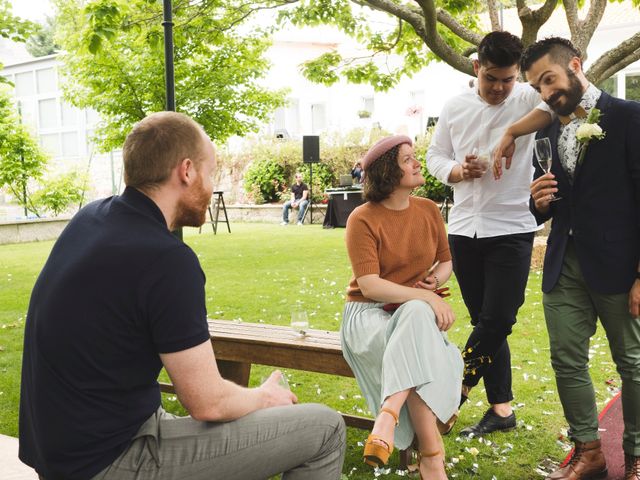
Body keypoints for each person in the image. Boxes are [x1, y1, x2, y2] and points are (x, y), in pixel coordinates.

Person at [19, 111, 346, 480]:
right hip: (107, 460)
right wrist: (264, 398)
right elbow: (207, 402)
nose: (211, 185)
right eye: (212, 172)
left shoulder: (91, 218)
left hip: (64, 449)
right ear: (187, 171)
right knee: (326, 429)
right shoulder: (165, 259)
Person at [494, 37, 640, 480]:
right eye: (537, 86)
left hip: (620, 266)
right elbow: (558, 199)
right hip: (564, 263)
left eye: (549, 79)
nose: (545, 92)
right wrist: (539, 203)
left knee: (632, 362)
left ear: (576, 65)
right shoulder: (549, 127)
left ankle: (635, 453)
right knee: (566, 358)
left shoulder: (631, 118)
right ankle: (589, 451)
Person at [425, 31, 550, 437]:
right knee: (484, 321)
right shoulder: (454, 106)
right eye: (491, 78)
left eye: (508, 79)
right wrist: (457, 171)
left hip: (512, 225)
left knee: (498, 318)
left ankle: (453, 391)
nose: (499, 88)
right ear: (476, 67)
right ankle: (501, 409)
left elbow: (566, 101)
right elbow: (434, 155)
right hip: (463, 229)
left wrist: (513, 132)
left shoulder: (529, 99)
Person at [342, 135, 463, 480]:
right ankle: (432, 455)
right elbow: (370, 285)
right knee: (419, 324)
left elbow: (445, 262)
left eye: (414, 157)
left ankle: (388, 416)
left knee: (415, 316)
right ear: (387, 173)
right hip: (369, 314)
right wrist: (426, 297)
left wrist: (432, 285)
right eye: (408, 159)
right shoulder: (361, 219)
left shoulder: (427, 209)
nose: (417, 163)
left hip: (412, 314)